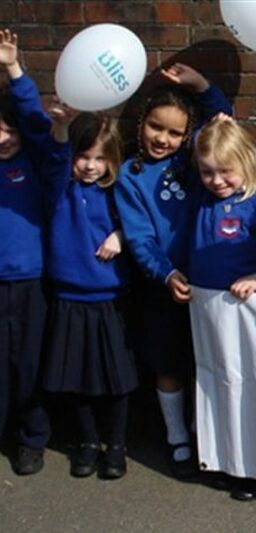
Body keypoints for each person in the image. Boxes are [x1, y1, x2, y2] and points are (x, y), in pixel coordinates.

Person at [114, 63, 231, 479]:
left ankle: (206, 437)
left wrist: (202, 85)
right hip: (164, 286)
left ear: (186, 136)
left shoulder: (193, 162)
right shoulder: (130, 175)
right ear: (142, 122)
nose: (162, 139)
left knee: (209, 362)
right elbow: (140, 237)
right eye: (155, 127)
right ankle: (177, 436)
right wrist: (165, 274)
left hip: (208, 281)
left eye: (174, 132)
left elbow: (223, 124)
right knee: (168, 364)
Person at [41, 106, 136, 479]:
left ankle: (116, 445)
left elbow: (142, 225)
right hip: (68, 298)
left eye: (100, 158)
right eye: (84, 156)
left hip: (109, 300)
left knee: (116, 381)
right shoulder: (59, 189)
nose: (91, 166)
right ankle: (87, 442)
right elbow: (53, 160)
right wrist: (61, 128)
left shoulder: (117, 193)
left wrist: (121, 236)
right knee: (74, 379)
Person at [0, 28, 52, 476]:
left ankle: (31, 438)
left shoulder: (31, 161)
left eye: (7, 129)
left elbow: (36, 123)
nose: (2, 137)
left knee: (29, 364)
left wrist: (14, 70)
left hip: (30, 280)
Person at [189, 116, 256, 300]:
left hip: (244, 306)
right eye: (207, 172)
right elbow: (197, 146)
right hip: (202, 305)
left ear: (245, 161)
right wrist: (214, 123)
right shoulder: (203, 195)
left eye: (225, 171)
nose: (216, 181)